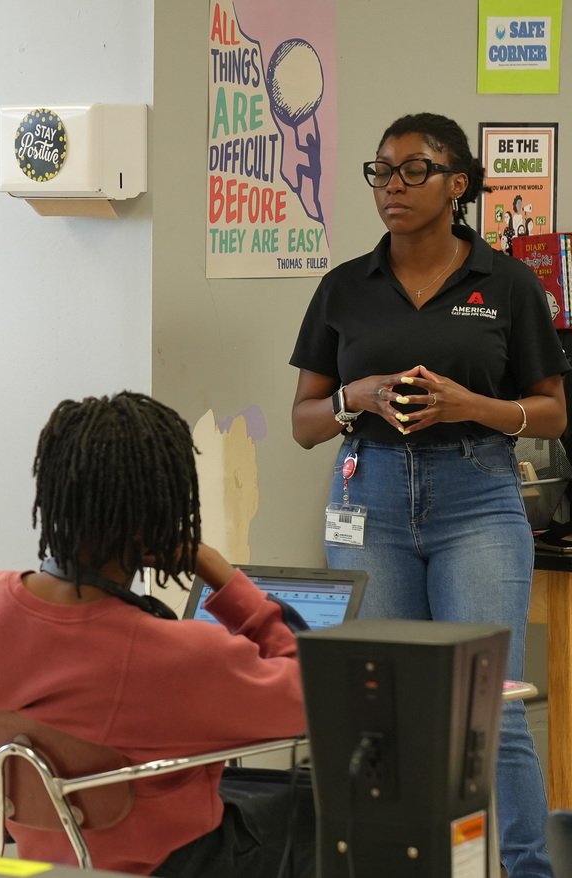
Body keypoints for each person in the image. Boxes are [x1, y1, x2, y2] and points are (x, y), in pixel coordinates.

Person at [289, 112, 569, 878]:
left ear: (459, 184)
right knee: (387, 710)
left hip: (475, 496)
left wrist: (469, 405)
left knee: (492, 706)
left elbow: (552, 410)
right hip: (369, 496)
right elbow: (305, 423)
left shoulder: (506, 283)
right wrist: (360, 396)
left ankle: (526, 870)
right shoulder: (345, 286)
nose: (393, 186)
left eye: (415, 170)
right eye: (382, 170)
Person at [0, 392, 307, 877]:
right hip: (176, 864)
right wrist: (222, 575)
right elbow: (307, 694)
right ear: (161, 520)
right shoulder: (177, 654)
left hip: (46, 859)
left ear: (53, 494)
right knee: (318, 810)